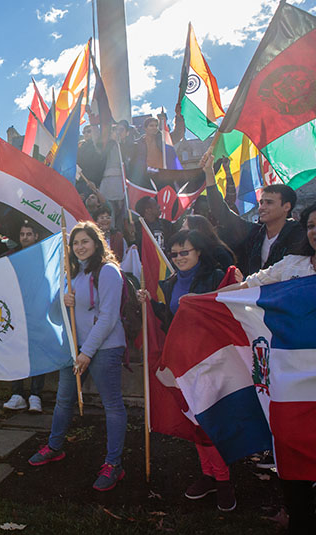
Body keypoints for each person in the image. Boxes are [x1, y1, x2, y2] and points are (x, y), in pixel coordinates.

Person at [217, 204, 316, 532]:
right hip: (290, 375)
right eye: (312, 225)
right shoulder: (293, 265)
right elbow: (251, 288)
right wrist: (209, 300)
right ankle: (297, 515)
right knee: (288, 443)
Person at [136, 230, 234, 510]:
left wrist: (235, 285)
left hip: (210, 359)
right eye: (175, 253)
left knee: (211, 421)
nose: (179, 258)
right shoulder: (170, 283)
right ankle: (208, 475)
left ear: (198, 252)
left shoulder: (215, 277)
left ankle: (224, 480)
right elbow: (171, 318)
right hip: (182, 361)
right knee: (195, 420)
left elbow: (225, 309)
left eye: (185, 252)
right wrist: (151, 304)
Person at [28, 221, 127, 492]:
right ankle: (55, 446)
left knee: (112, 406)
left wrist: (87, 353)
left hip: (104, 348)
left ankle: (113, 464)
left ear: (96, 243)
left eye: (85, 241)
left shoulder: (108, 272)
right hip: (75, 348)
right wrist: (64, 302)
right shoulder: (72, 274)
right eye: (75, 243)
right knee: (63, 400)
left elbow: (108, 318)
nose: (80, 247)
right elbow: (56, 315)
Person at [202, 152, 305, 276]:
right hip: (255, 293)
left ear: (286, 206)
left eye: (269, 203)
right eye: (261, 203)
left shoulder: (301, 236)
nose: (262, 208)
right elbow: (220, 211)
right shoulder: (255, 233)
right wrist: (208, 172)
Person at [3, 222, 46, 412]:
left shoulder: (45, 255)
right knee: (15, 352)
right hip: (15, 312)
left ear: (36, 236)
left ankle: (35, 395)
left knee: (36, 353)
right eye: (22, 234)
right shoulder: (12, 257)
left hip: (37, 311)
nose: (25, 237)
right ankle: (17, 394)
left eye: (29, 234)